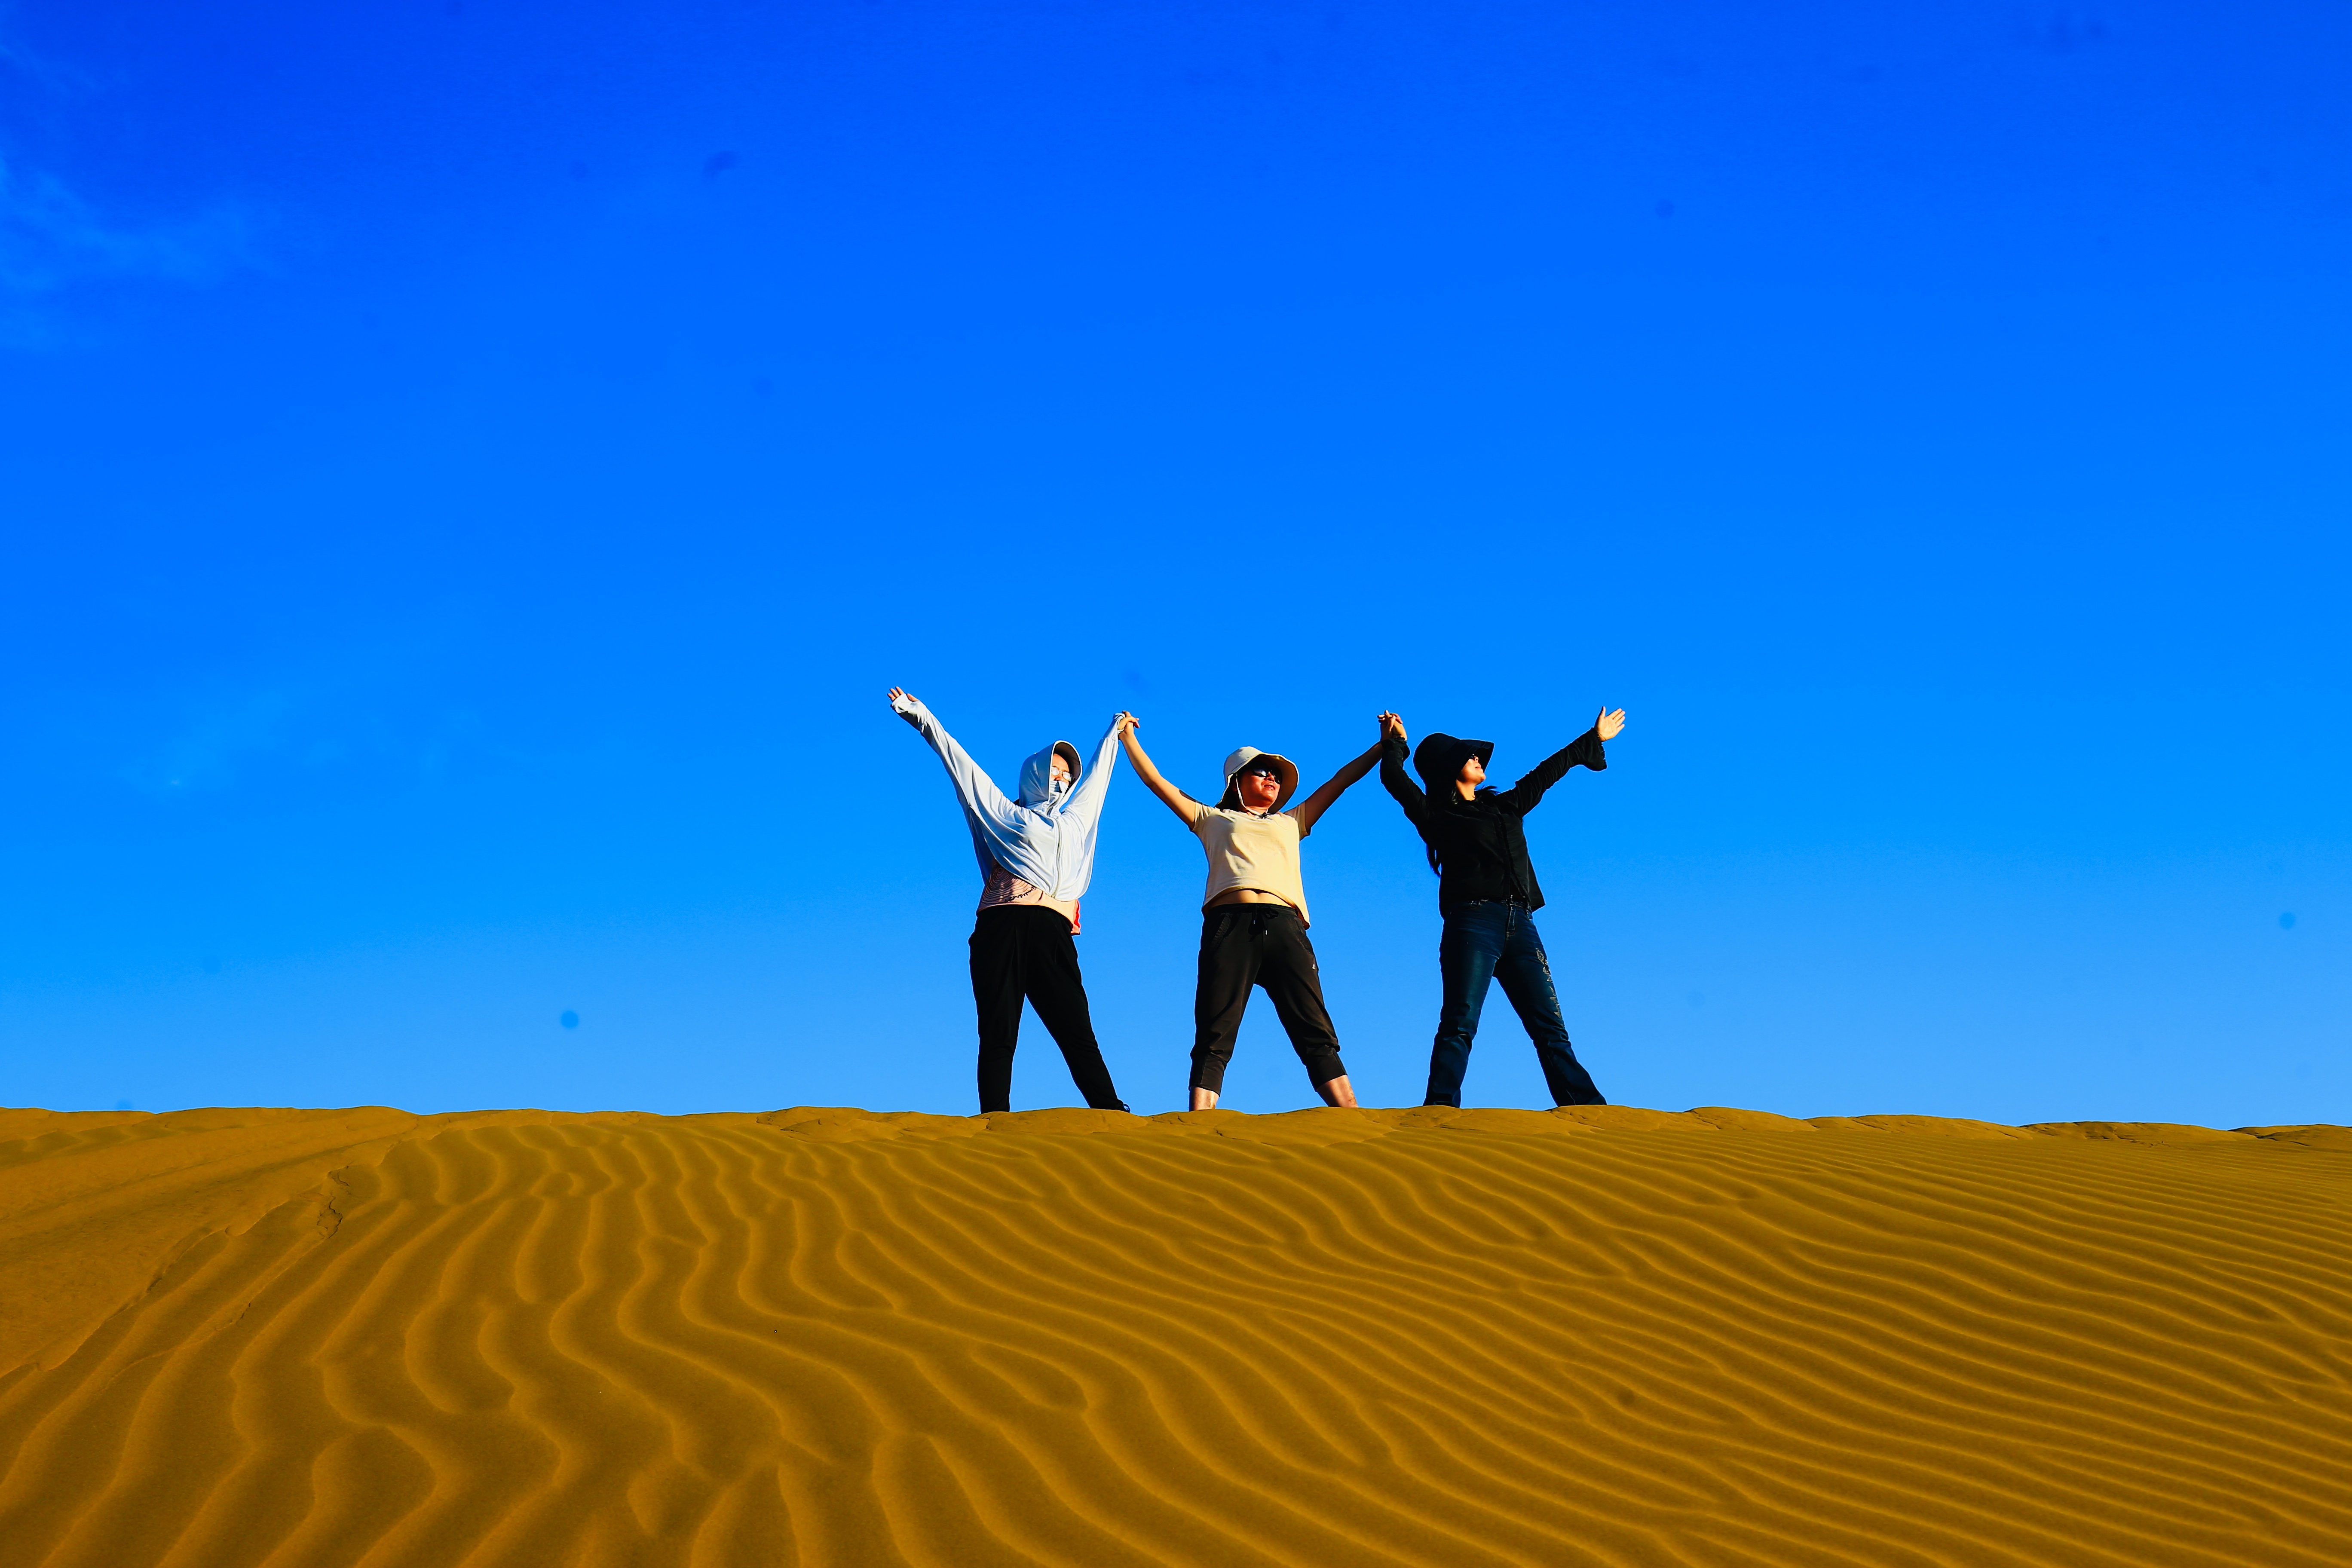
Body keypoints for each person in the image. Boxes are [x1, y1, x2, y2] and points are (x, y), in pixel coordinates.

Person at [1117, 712, 1392, 1111]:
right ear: (1236, 780)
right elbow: (1157, 782)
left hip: (1286, 928)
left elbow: (1340, 782)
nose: (1272, 779)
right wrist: (1128, 737)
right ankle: (1199, 1126)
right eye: (1260, 771)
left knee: (1315, 1030)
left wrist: (1383, 746)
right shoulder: (1211, 818)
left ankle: (1352, 1116)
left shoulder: (1292, 821)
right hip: (1229, 927)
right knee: (1215, 1030)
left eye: (1276, 776)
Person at [888, 687, 1130, 1115]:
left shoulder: (1076, 820)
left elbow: (1098, 780)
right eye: (1053, 770)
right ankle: (994, 1120)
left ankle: (1111, 1111)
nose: (1061, 778)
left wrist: (1114, 732)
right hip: (1000, 927)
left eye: (1066, 774)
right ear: (1034, 774)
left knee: (1076, 1029)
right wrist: (920, 715)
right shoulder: (1006, 813)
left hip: (1052, 933)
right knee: (999, 1031)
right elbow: (960, 765)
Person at [1378, 707, 1627, 1109]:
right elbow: (1393, 777)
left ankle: (1588, 1110)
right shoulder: (1436, 815)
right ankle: (1439, 1111)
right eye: (1468, 755)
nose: (1478, 759)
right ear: (1447, 768)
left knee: (1551, 1028)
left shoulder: (1507, 806)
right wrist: (1396, 743)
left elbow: (1547, 772)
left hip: (1522, 925)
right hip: (1473, 922)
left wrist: (1593, 738)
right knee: (1460, 1023)